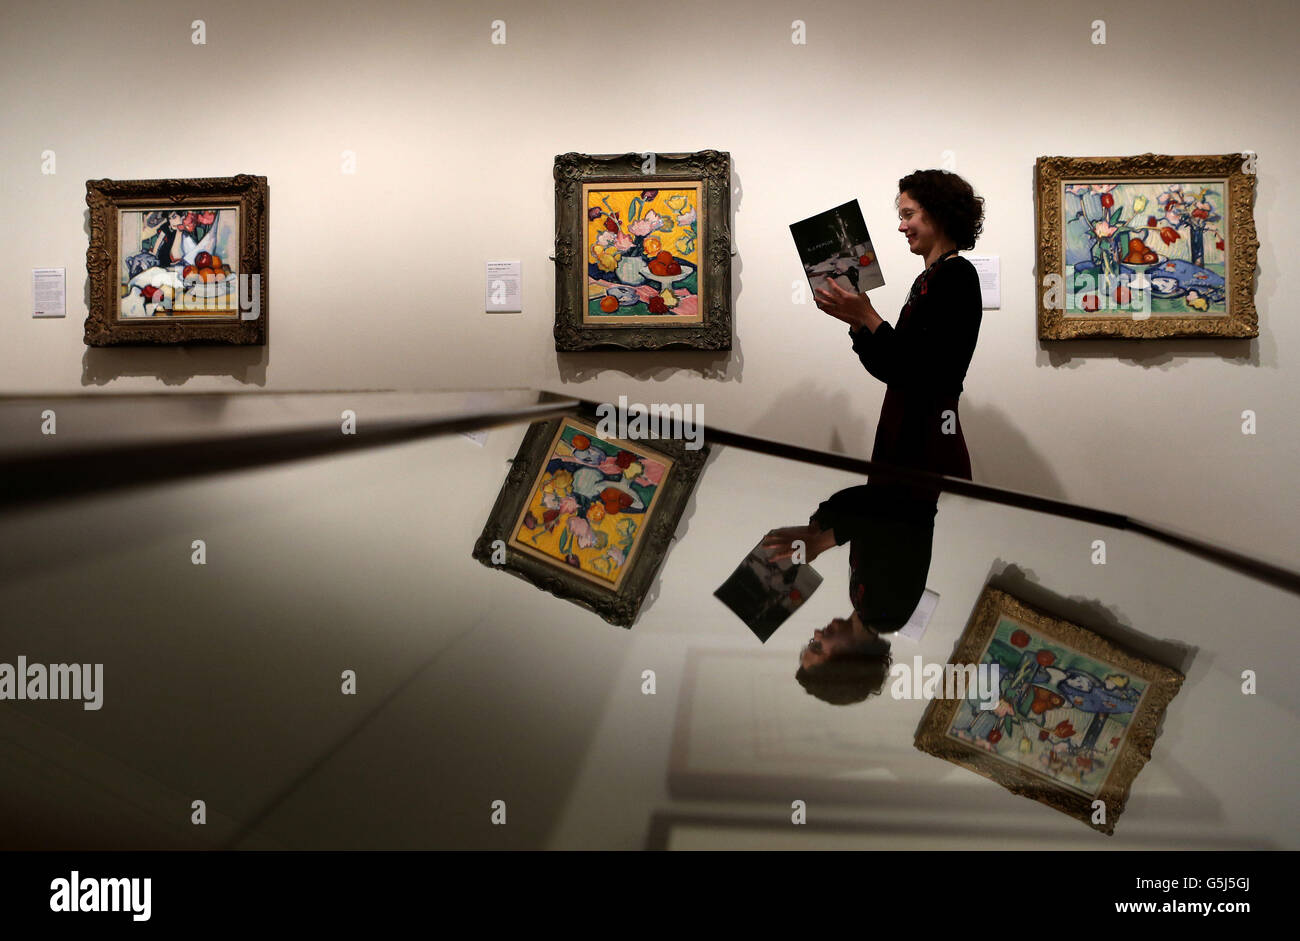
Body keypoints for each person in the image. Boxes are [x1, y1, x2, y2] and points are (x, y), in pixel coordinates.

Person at [765, 169, 985, 705]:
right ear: (847, 660)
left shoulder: (955, 276)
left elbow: (920, 372)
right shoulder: (884, 611)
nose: (903, 226)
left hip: (917, 428)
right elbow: (908, 372)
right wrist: (862, 319)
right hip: (917, 430)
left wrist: (821, 532)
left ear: (939, 216)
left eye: (909, 214)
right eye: (818, 649)